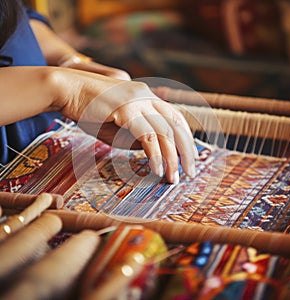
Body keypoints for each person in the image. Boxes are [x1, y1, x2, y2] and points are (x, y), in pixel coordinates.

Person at [0, 0, 196, 184]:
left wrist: (72, 63)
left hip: (53, 132)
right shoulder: (61, 89)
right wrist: (67, 89)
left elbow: (18, 17)